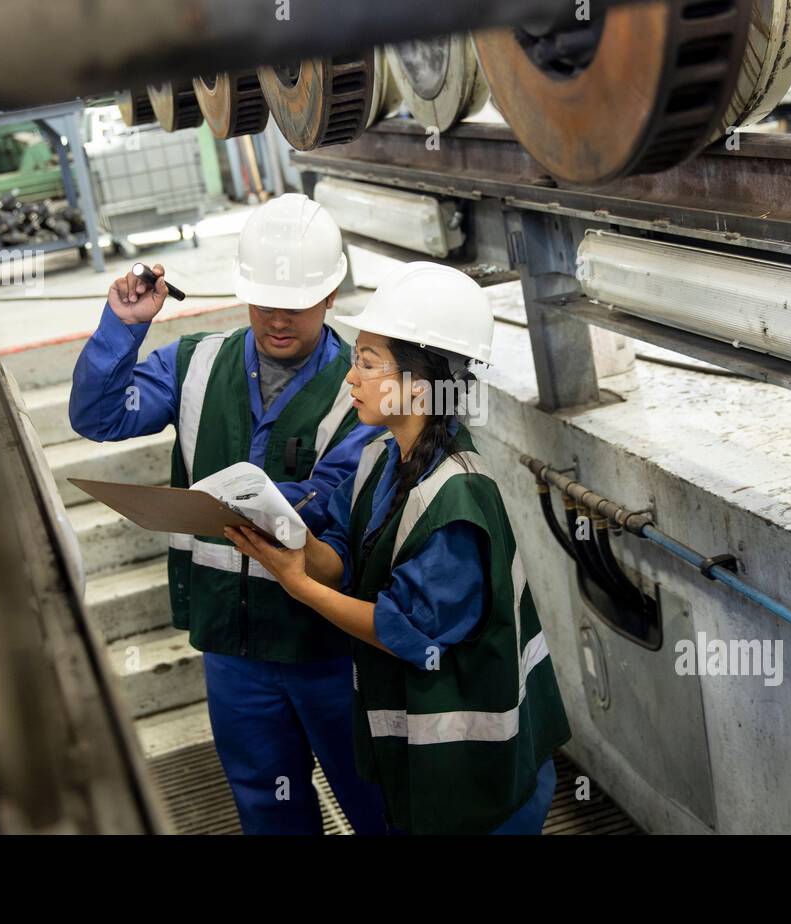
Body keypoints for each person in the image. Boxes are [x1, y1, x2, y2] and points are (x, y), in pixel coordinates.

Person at [68, 193, 386, 835]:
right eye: (264, 298)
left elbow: (334, 500)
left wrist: (281, 501)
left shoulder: (363, 389)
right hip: (232, 646)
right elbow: (97, 416)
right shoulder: (196, 365)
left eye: (296, 302)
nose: (277, 317)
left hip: (327, 644)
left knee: (374, 803)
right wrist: (123, 327)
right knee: (268, 813)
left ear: (330, 297)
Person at [226, 261, 572, 834]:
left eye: (366, 364)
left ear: (417, 381)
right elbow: (338, 551)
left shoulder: (457, 496)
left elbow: (403, 630)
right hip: (425, 758)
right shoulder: (379, 460)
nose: (349, 379)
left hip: (480, 772)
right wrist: (284, 537)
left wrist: (299, 587)